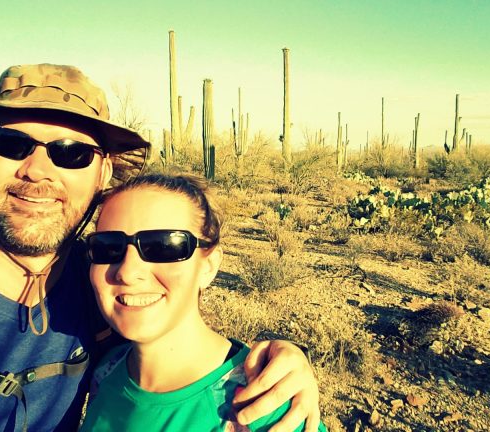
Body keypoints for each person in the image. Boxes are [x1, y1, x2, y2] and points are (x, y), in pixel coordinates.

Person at [0, 64, 320, 431]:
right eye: (10, 144)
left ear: (103, 173)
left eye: (72, 152)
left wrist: (282, 360)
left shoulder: (100, 301)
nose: (37, 170)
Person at [80, 174, 327, 432]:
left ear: (208, 266)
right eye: (107, 247)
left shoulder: (265, 405)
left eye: (164, 246)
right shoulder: (106, 371)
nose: (127, 272)